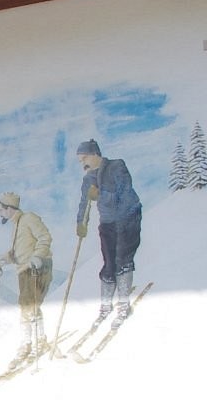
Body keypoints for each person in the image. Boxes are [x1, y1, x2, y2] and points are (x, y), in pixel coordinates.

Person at [74, 138, 142, 328]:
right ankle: (105, 306)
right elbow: (84, 202)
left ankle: (123, 305)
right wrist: (81, 223)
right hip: (108, 222)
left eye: (84, 158)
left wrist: (101, 194)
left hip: (128, 217)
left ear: (95, 154)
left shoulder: (116, 166)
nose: (83, 163)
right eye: (80, 160)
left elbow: (124, 191)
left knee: (123, 258)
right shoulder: (88, 178)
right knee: (109, 263)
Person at [0, 192, 52, 365]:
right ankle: (33, 342)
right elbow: (21, 251)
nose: (0, 213)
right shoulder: (17, 224)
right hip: (25, 270)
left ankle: (33, 343)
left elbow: (45, 238)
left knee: (29, 306)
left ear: (9, 209)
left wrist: (38, 257)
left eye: (1, 210)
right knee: (27, 306)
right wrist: (7, 258)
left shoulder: (28, 219)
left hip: (38, 268)